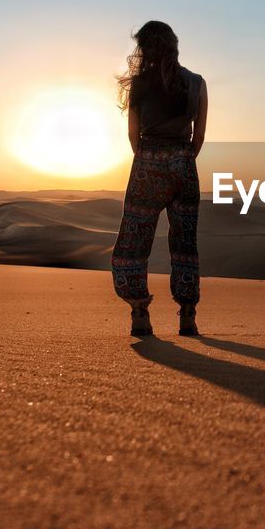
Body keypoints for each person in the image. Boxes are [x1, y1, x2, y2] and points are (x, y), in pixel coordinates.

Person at [111, 20, 207, 337]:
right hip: (184, 165)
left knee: (134, 241)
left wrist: (149, 159)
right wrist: (180, 158)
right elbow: (199, 138)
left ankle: (139, 312)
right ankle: (188, 316)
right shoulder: (197, 82)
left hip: (147, 163)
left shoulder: (140, 85)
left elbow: (133, 137)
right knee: (184, 244)